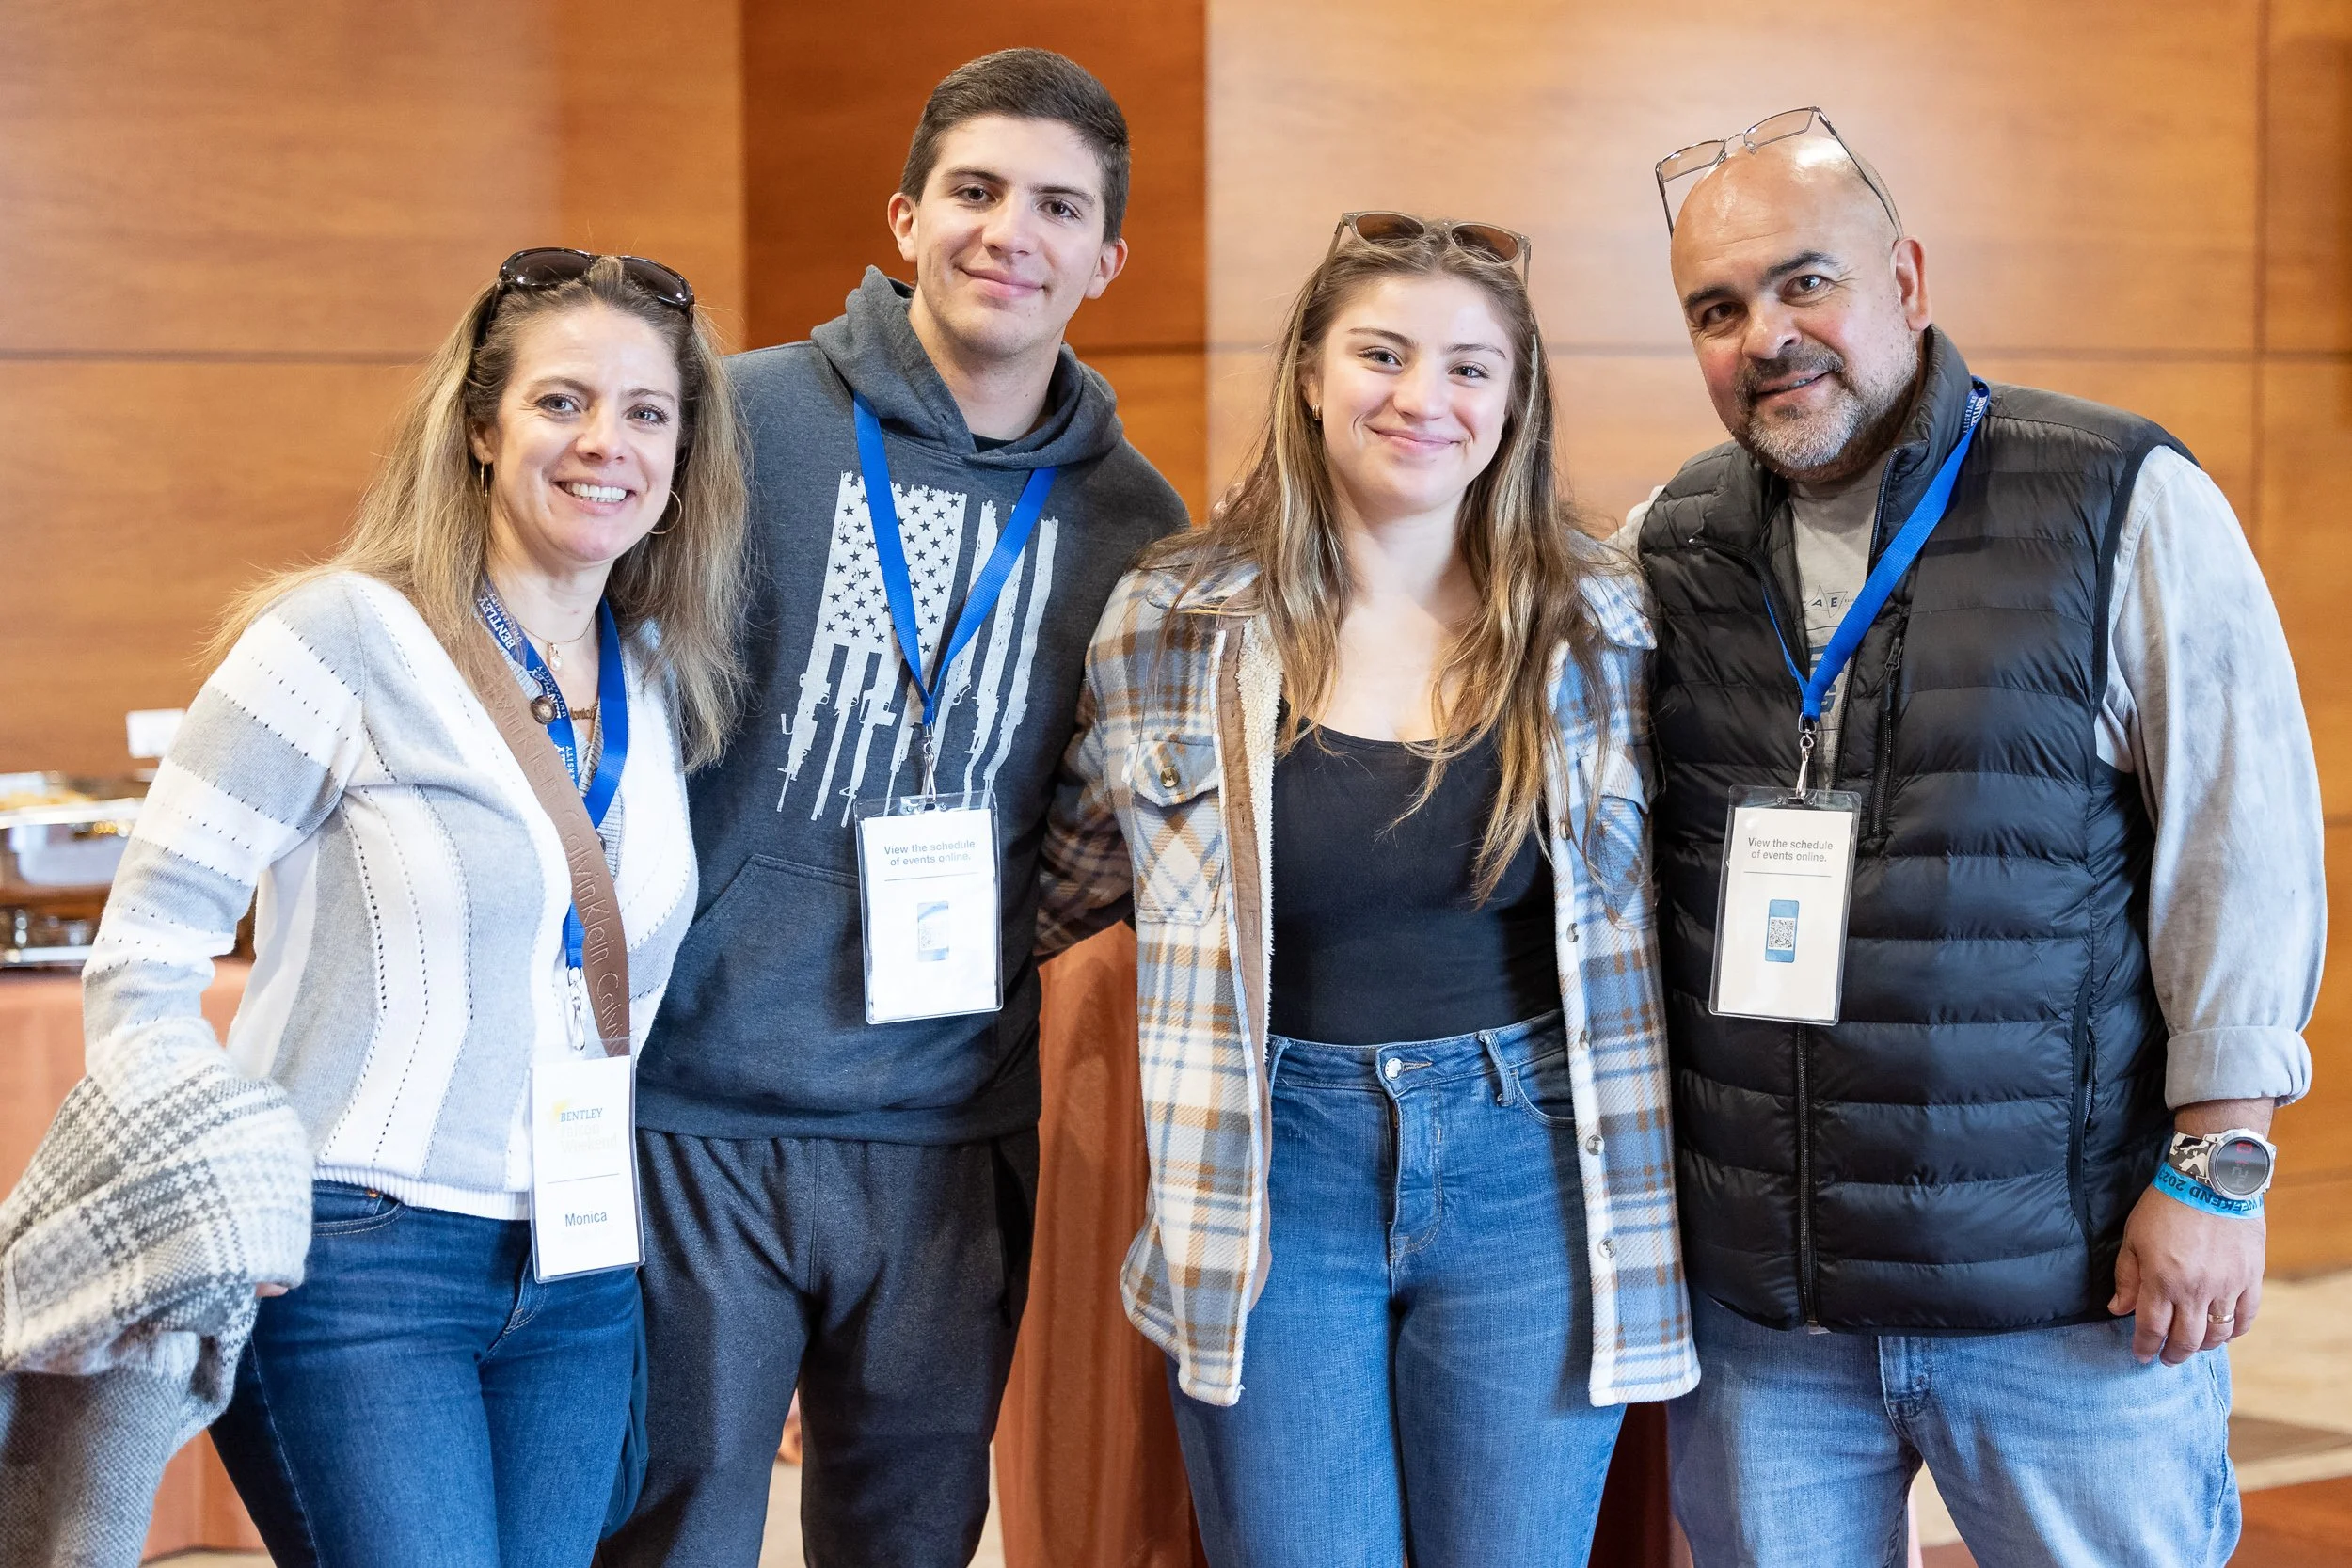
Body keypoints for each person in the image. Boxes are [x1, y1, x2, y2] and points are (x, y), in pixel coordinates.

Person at [1629, 110, 2324, 1566]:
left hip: (2063, 1307)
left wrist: (2220, 1165)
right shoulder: (1668, 540)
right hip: (1772, 1324)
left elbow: (2242, 841)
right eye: (1718, 308)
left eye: (1805, 281)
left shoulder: (2114, 495)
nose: (1768, 335)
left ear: (1910, 280)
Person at [1038, 212, 1698, 1567]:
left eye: (1470, 367)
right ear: (1310, 374)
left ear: (1515, 403)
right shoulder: (1173, 615)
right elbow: (1065, 883)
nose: (1424, 398)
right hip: (1271, 1161)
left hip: (1533, 1159)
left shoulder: (1602, 622)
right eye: (1382, 353)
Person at [599, 49, 1189, 1566]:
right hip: (700, 1106)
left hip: (946, 1128)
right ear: (906, 216)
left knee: (913, 1536)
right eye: (976, 191)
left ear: (1106, 259)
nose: (1012, 232)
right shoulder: (732, 424)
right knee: (669, 1531)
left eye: (1058, 206)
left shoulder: (1134, 518)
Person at [83, 247, 749, 1568]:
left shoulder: (662, 673)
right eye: (561, 402)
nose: (603, 441)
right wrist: (227, 1200)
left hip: (577, 1264)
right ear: (480, 429)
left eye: (645, 410)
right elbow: (146, 950)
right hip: (356, 1257)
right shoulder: (336, 638)